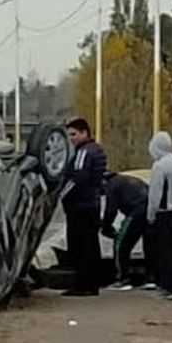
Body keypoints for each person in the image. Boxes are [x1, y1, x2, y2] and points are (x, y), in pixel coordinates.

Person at [61, 117, 108, 297]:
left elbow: (78, 178)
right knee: (91, 246)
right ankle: (91, 284)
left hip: (81, 205)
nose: (71, 138)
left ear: (84, 133)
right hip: (92, 204)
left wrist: (60, 196)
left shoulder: (84, 152)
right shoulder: (97, 150)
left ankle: (82, 285)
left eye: (74, 134)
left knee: (80, 247)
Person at [147, 131, 172, 300]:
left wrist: (151, 214)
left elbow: (155, 193)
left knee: (163, 251)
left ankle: (167, 286)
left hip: (164, 213)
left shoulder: (159, 166)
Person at [101, 171, 151, 290]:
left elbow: (111, 210)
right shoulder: (130, 180)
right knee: (150, 245)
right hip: (150, 211)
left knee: (120, 244)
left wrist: (106, 226)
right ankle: (152, 278)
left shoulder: (112, 186)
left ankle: (122, 279)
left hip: (135, 212)